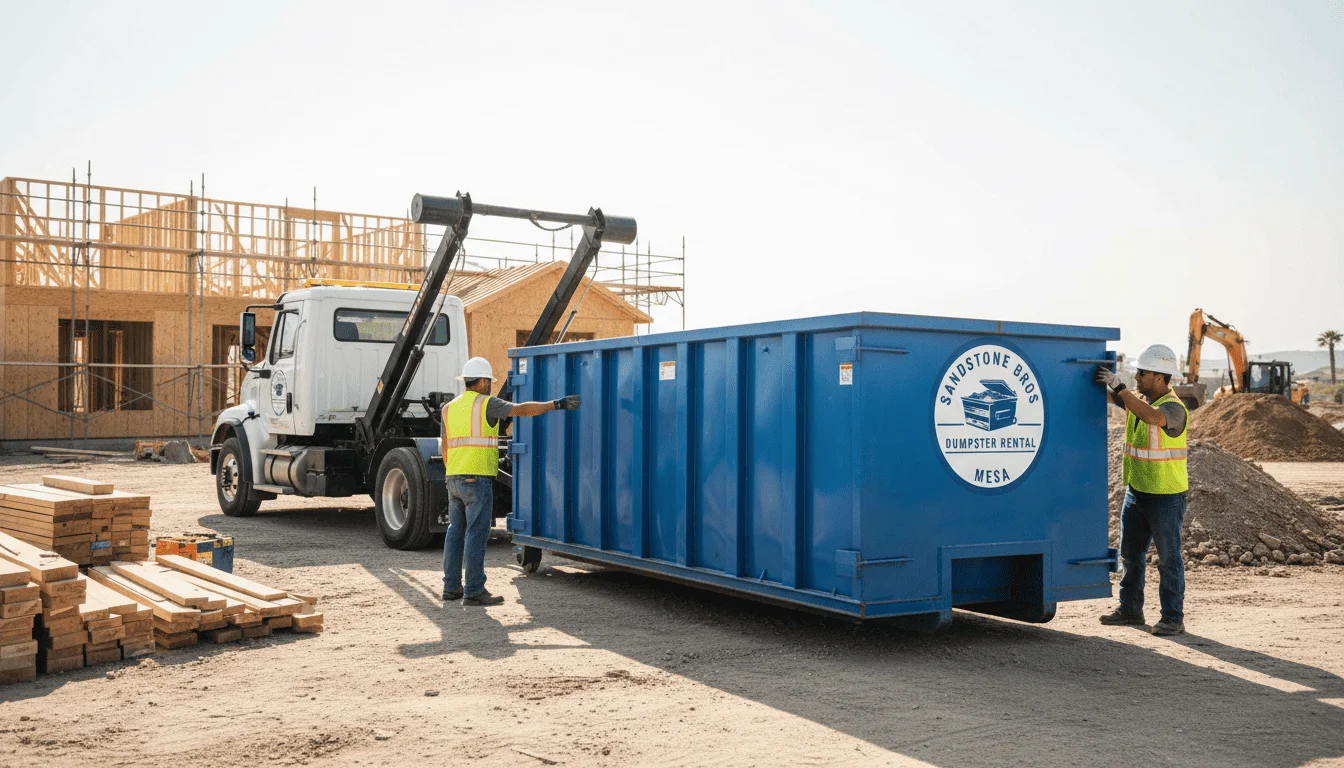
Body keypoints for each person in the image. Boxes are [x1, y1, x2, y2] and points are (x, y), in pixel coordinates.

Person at [441, 356, 580, 606]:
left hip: (453, 478)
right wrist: (556, 404)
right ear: (483, 381)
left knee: (455, 533)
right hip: (476, 479)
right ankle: (473, 590)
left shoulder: (449, 407)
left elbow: (445, 445)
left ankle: (451, 587)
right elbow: (521, 409)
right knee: (476, 534)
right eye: (489, 382)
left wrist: (451, 472)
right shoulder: (486, 403)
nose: (490, 386)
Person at [1095, 344, 1189, 636]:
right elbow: (1120, 400)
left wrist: (1119, 386)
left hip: (1166, 496)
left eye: (1142, 373)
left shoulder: (1174, 408)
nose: (1137, 377)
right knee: (1130, 556)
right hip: (1137, 491)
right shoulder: (1138, 400)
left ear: (1160, 378)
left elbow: (1152, 417)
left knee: (1168, 559)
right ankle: (1130, 610)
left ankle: (1173, 617)